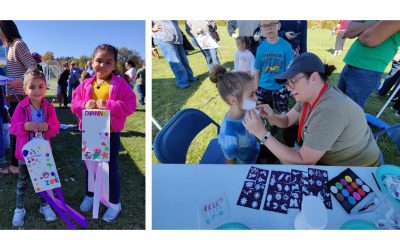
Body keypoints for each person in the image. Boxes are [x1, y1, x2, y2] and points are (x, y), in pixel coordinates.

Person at [243, 52, 381, 167]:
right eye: (287, 83)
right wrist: (271, 116)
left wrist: (262, 134)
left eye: (293, 81)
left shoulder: (329, 111)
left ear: (314, 78)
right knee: (288, 133)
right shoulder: (312, 95)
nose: (288, 88)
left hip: (360, 169)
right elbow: (286, 121)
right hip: (338, 159)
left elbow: (304, 162)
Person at [71, 44, 136, 222]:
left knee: (110, 169)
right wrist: (85, 104)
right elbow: (74, 105)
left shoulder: (120, 84)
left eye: (108, 62)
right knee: (90, 166)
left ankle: (114, 203)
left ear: (114, 65)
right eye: (99, 61)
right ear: (91, 62)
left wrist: (109, 105)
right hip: (90, 132)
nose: (102, 65)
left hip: (111, 133)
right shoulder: (85, 84)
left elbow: (130, 106)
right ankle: (90, 194)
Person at [10, 68, 60, 227]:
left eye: (41, 86)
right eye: (32, 87)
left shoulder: (49, 108)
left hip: (42, 154)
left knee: (44, 182)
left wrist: (49, 127)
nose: (37, 91)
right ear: (25, 89)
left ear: (46, 87)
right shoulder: (21, 107)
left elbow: (55, 128)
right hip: (25, 155)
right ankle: (19, 209)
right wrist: (24, 126)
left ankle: (44, 206)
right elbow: (13, 128)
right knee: (22, 182)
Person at [0, 20, 37, 175]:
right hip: (14, 97)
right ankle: (21, 163)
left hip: (21, 96)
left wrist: (21, 81)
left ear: (5, 30)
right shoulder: (10, 47)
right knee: (18, 129)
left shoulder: (18, 45)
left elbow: (33, 67)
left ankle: (16, 165)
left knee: (19, 130)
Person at [254, 20, 294, 159]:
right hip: (263, 88)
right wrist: (255, 86)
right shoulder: (261, 48)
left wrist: (289, 86)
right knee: (264, 116)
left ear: (279, 25)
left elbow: (290, 69)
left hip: (280, 89)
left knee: (281, 115)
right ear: (261, 28)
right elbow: (257, 69)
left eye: (272, 24)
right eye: (265, 25)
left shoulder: (286, 46)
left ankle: (280, 142)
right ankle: (266, 143)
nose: (268, 28)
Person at [338, 20, 400, 108]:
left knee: (350, 111)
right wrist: (375, 24)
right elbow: (349, 31)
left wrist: (360, 29)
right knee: (339, 104)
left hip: (367, 71)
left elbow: (368, 39)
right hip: (350, 64)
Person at [209, 65, 260, 164]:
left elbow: (257, 115)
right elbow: (229, 162)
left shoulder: (246, 107)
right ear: (233, 100)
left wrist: (261, 113)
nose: (256, 98)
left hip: (254, 152)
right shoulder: (229, 134)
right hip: (244, 165)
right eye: (251, 94)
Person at [152, 20, 198, 89]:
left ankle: (190, 77)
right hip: (164, 39)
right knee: (176, 62)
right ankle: (182, 82)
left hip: (177, 38)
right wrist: (151, 29)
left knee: (184, 60)